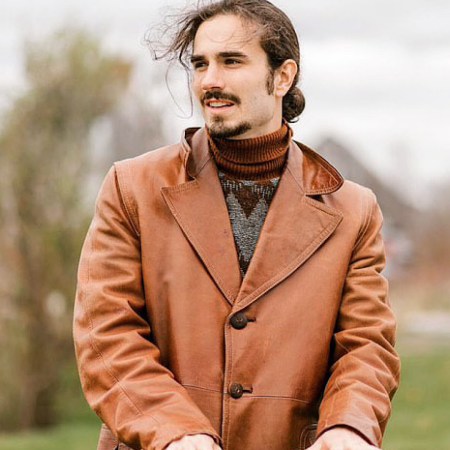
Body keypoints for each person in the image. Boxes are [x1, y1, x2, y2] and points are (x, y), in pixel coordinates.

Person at [73, 1, 400, 449]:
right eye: (200, 64)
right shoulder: (131, 187)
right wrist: (173, 430)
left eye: (231, 61)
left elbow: (366, 347)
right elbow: (106, 335)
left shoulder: (354, 210)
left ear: (282, 77)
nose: (210, 80)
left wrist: (348, 426)